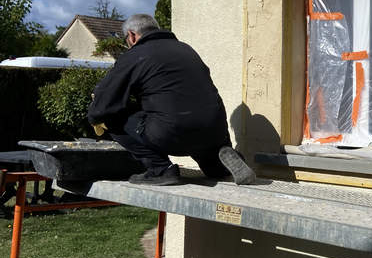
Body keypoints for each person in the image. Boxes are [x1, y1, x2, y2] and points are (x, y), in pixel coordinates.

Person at [87, 14, 255, 186]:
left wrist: (94, 118)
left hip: (174, 133)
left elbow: (104, 102)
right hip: (215, 133)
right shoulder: (186, 49)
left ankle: (161, 170)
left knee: (111, 117)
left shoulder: (135, 55)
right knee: (210, 163)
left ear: (132, 35)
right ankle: (221, 164)